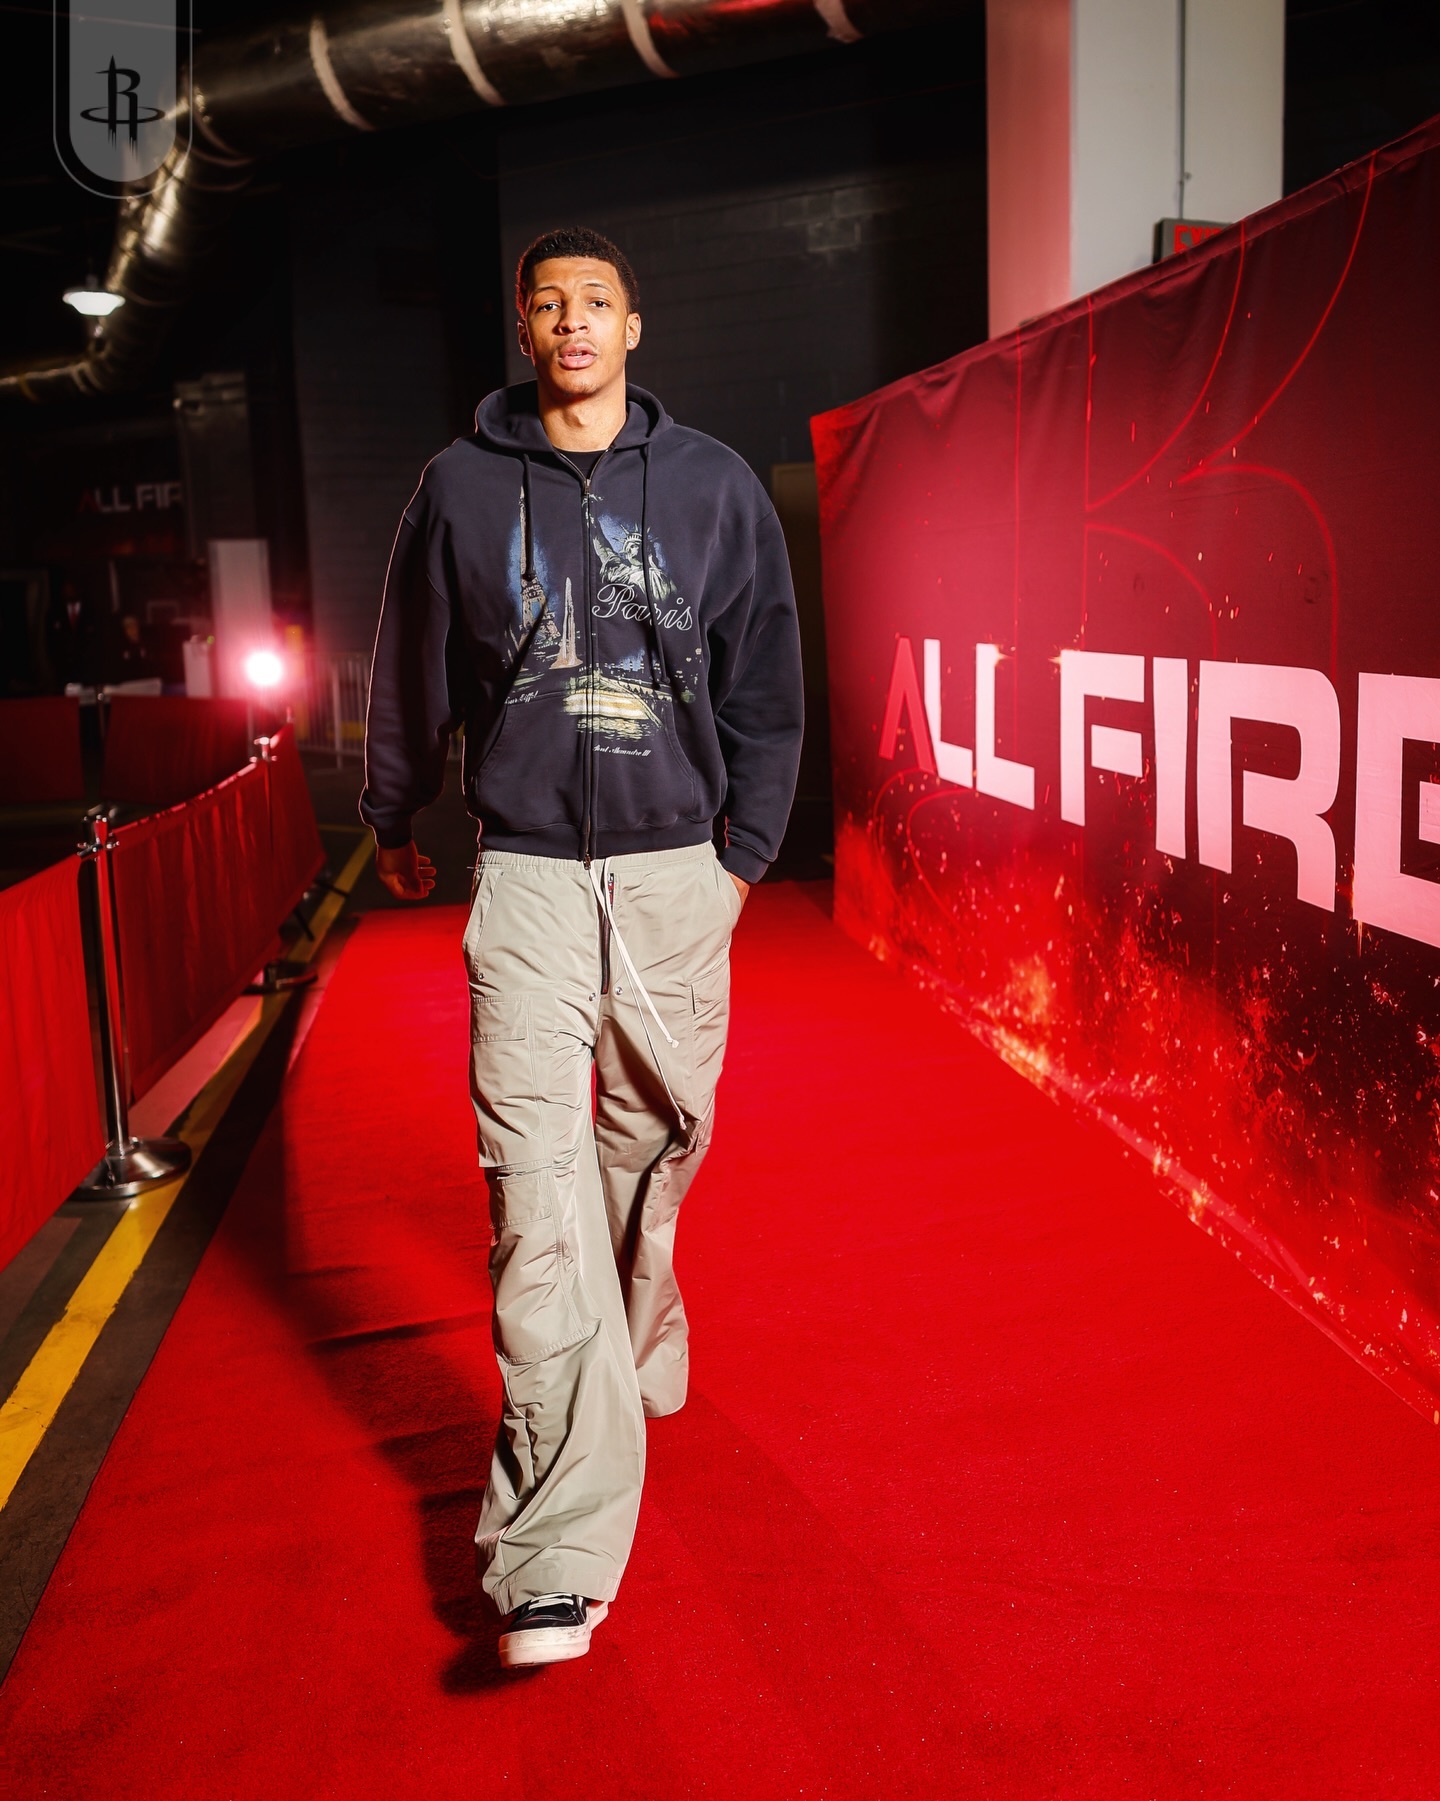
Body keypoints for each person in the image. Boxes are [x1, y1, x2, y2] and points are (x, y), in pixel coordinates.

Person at [361, 226, 803, 1669]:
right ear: (525, 328)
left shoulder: (716, 484)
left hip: (677, 874)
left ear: (633, 326)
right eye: (547, 303)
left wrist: (744, 855)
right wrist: (390, 811)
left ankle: (635, 1317)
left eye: (595, 301)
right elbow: (410, 664)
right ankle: (555, 1550)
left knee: (655, 1140)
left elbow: (766, 678)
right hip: (531, 877)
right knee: (534, 1186)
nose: (572, 322)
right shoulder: (458, 486)